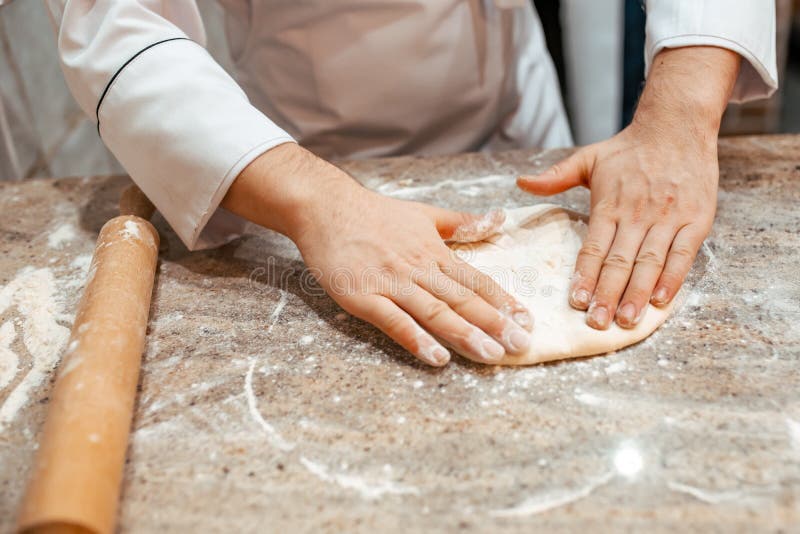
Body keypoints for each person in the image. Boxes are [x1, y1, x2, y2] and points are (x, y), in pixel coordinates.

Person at [46, 1, 777, 366]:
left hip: (512, 109)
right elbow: (117, 23)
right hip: (304, 141)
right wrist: (316, 200)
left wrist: (681, 110)